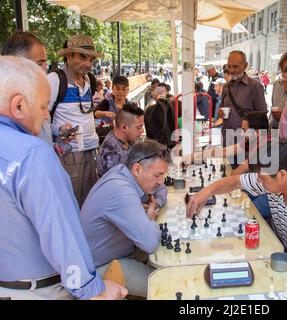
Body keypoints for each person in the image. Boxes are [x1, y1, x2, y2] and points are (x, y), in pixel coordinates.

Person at [0, 56, 127, 300]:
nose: (46, 117)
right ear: (18, 106)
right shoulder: (32, 154)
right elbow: (59, 231)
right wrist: (92, 290)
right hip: (38, 290)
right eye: (42, 107)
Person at [186, 140, 287, 283]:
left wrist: (272, 275)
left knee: (276, 284)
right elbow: (233, 182)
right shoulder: (272, 177)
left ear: (282, 175)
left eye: (262, 178)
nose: (259, 181)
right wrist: (205, 192)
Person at [81, 139, 170, 298]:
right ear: (137, 169)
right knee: (165, 283)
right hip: (102, 268)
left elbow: (162, 190)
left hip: (119, 252)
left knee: (166, 261)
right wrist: (149, 219)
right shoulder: (120, 189)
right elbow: (150, 243)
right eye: (158, 175)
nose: (161, 181)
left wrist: (153, 208)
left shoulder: (122, 171)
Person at [48, 34, 104, 208]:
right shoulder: (55, 80)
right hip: (69, 155)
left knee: (90, 204)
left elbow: (86, 114)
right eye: (82, 57)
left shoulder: (90, 80)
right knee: (71, 206)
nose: (87, 64)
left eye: (90, 60)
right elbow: (40, 119)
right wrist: (58, 129)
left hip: (91, 151)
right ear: (69, 56)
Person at [218, 50, 267, 149]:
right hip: (227, 139)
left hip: (246, 143)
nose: (231, 70)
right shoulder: (226, 87)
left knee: (243, 165)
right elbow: (222, 108)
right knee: (228, 164)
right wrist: (220, 113)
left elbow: (262, 116)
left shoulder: (255, 86)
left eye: (235, 66)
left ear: (245, 66)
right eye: (229, 66)